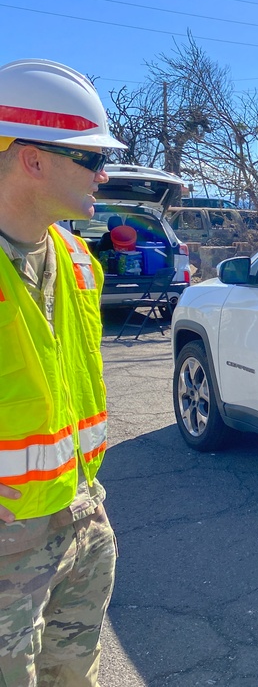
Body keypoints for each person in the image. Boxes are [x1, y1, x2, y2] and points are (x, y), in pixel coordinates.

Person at [0, 59, 125, 684]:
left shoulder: (78, 259)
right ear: (32, 159)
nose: (104, 174)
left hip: (79, 517)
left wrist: (89, 505)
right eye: (90, 159)